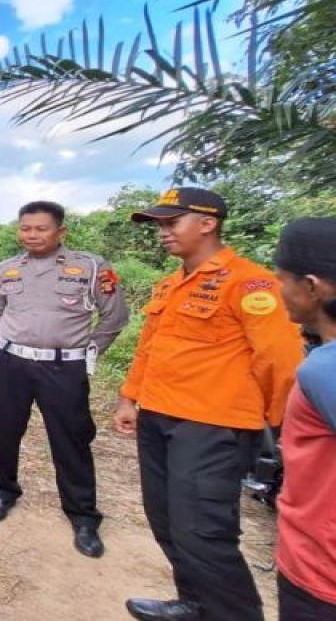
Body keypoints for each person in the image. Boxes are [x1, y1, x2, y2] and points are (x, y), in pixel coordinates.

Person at [116, 187, 303, 621]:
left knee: (202, 531)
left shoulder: (250, 283)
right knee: (166, 520)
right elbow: (150, 348)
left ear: (207, 223)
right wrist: (130, 397)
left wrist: (283, 432)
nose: (163, 232)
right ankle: (195, 602)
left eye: (171, 222)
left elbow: (279, 360)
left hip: (212, 426)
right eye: (159, 225)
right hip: (159, 416)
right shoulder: (172, 283)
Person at [0, 200, 129, 558]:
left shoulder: (91, 267)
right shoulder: (8, 268)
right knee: (3, 430)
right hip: (11, 362)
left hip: (63, 367)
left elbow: (114, 317)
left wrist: (87, 352)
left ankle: (83, 516)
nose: (31, 235)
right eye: (25, 228)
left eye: (40, 228)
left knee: (71, 439)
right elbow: (0, 309)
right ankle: (3, 492)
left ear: (60, 231)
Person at [273, 217, 336, 621]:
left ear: (312, 286)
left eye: (282, 279)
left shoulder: (325, 369)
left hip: (321, 572)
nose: (280, 291)